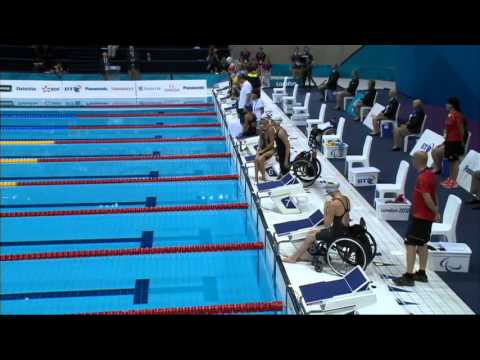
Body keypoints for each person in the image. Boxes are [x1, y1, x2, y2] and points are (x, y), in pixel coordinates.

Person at [393, 151, 440, 287]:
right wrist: (436, 211)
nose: (412, 160)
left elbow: (427, 197)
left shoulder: (423, 178)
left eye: (413, 158)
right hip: (426, 217)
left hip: (420, 217)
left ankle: (408, 276)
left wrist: (435, 211)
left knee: (410, 244)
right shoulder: (431, 175)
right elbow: (435, 194)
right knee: (423, 243)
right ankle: (421, 272)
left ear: (417, 160)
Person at [283, 183, 351, 264]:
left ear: (330, 192)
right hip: (345, 230)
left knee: (309, 237)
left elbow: (327, 224)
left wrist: (326, 208)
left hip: (336, 233)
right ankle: (305, 255)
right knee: (311, 232)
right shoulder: (346, 199)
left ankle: (293, 258)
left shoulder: (333, 204)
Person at [431, 97, 466, 189]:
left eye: (448, 103)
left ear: (452, 105)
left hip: (455, 142)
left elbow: (461, 129)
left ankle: (454, 181)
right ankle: (450, 178)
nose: (446, 105)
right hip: (449, 141)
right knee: (450, 162)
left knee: (454, 162)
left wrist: (462, 142)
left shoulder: (457, 115)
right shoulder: (450, 114)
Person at [255, 118, 276, 183]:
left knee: (261, 159)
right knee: (256, 159)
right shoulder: (262, 128)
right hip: (263, 149)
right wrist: (258, 149)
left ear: (266, 121)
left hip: (270, 149)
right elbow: (260, 140)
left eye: (262, 120)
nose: (261, 121)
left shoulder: (271, 129)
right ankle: (256, 179)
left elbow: (272, 144)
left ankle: (264, 177)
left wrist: (263, 151)